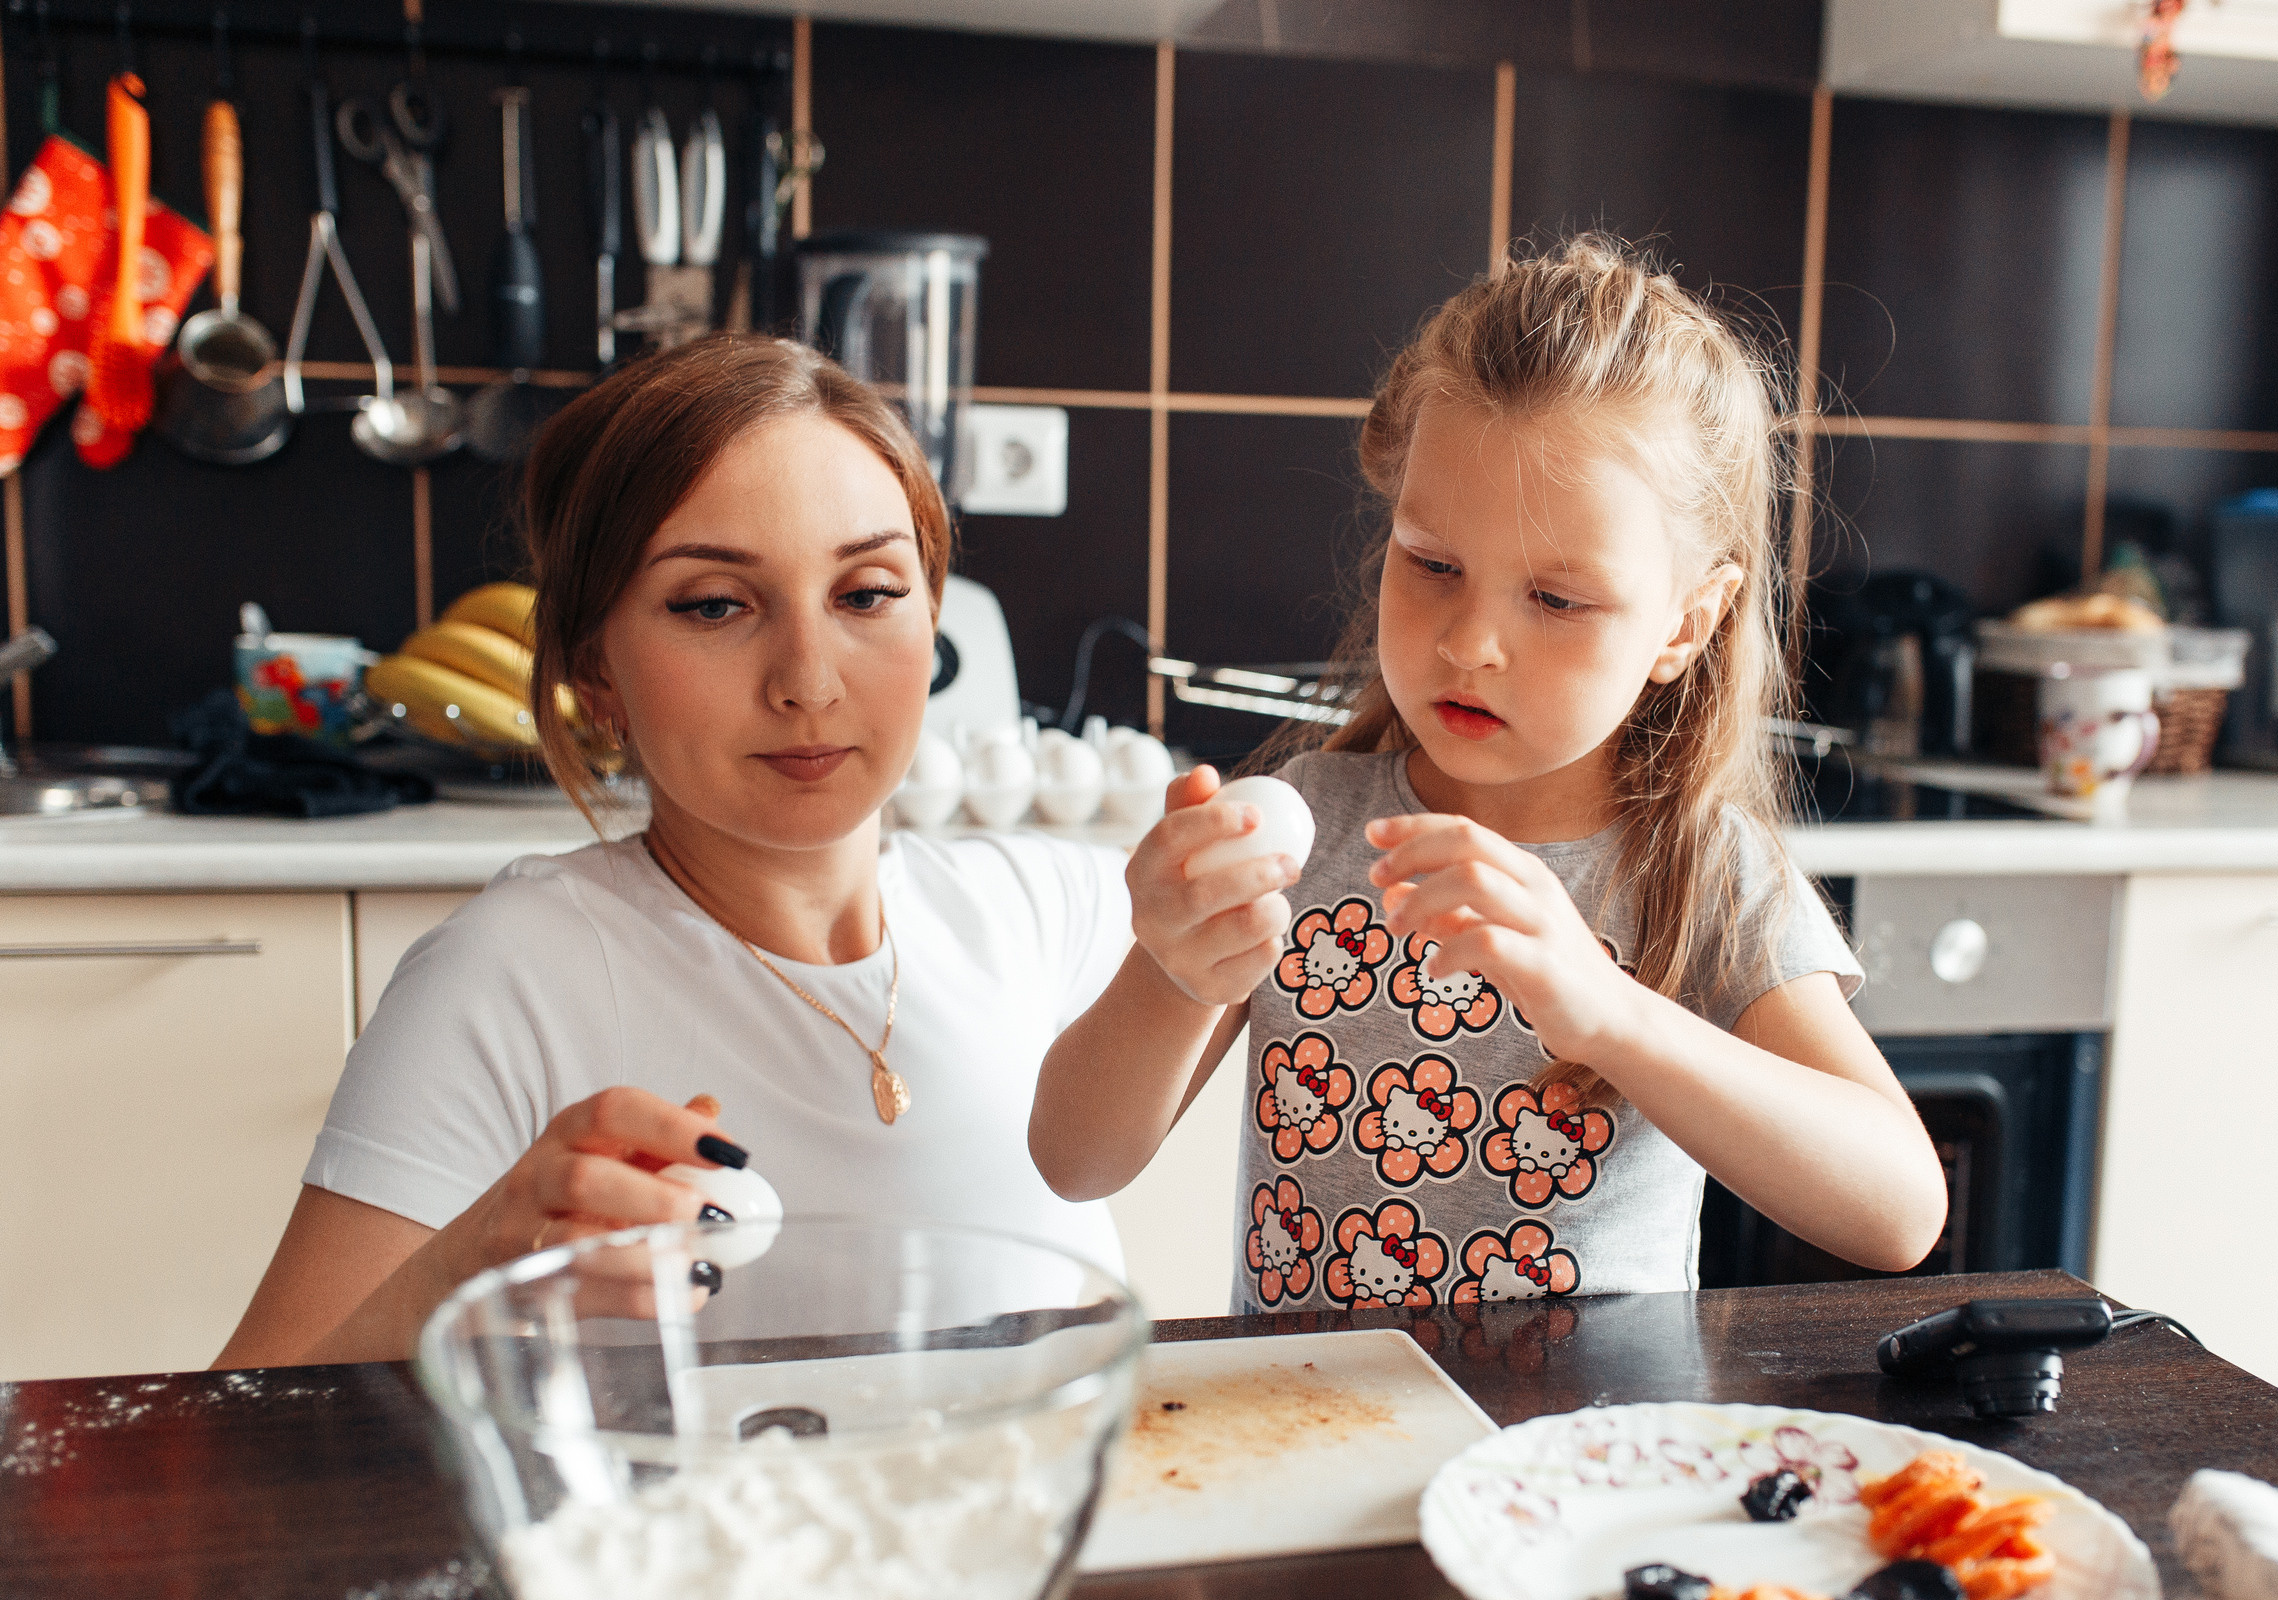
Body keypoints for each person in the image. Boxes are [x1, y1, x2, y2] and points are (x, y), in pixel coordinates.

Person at [1030, 237, 1944, 1310]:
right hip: (1311, 1440)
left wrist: (1605, 1010)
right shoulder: (1313, 830)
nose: (1470, 643)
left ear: (1685, 622)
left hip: (1575, 1466)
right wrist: (1173, 970)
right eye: (1433, 566)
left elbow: (1897, 1212)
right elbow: (1073, 1162)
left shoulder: (1694, 873)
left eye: (1555, 600)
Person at [220, 336, 1129, 1368]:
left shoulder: (1047, 908)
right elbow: (236, 1451)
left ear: (932, 619)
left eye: (866, 593)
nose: (809, 682)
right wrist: (465, 1270)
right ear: (594, 672)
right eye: (714, 606)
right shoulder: (508, 977)